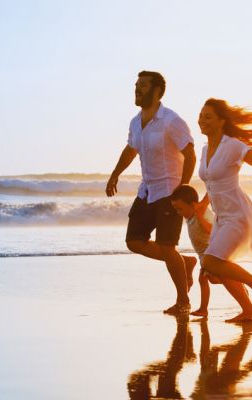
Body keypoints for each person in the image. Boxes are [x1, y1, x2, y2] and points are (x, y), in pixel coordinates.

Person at [106, 70, 196, 315]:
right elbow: (130, 149)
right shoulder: (136, 122)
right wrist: (115, 174)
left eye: (143, 86)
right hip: (147, 190)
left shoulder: (171, 120)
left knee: (166, 246)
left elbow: (189, 153)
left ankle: (183, 301)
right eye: (136, 85)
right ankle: (184, 262)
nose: (137, 89)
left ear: (157, 91)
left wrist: (183, 188)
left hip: (170, 191)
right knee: (134, 241)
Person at [198, 98, 252, 322]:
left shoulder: (232, 145)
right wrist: (202, 205)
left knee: (211, 261)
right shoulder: (204, 149)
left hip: (237, 215)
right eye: (201, 116)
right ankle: (249, 311)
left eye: (208, 117)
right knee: (214, 269)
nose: (202, 120)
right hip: (221, 217)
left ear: (221, 121)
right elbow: (211, 182)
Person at [171, 184, 252, 321]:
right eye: (176, 209)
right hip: (204, 255)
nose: (178, 212)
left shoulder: (202, 213)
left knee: (213, 278)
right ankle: (206, 308)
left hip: (215, 252)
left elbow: (212, 229)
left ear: (192, 205)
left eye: (180, 208)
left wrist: (201, 218)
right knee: (209, 280)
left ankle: (208, 307)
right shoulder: (189, 217)